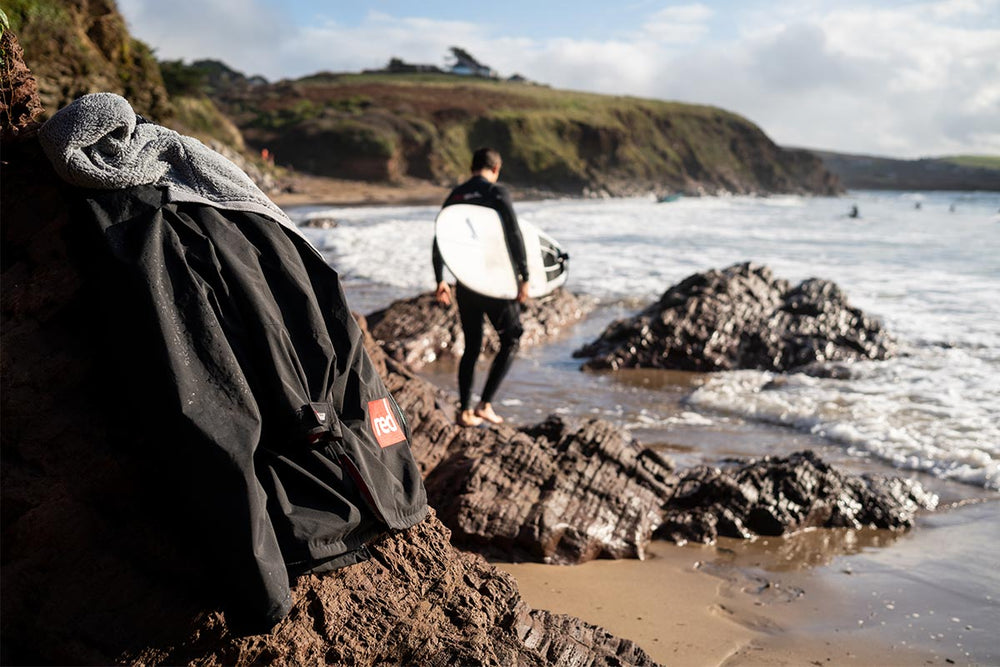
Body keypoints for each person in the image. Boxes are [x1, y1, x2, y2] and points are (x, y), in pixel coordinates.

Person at [433, 147, 529, 427]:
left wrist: (440, 277)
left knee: (472, 345)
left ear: (472, 167)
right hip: (495, 280)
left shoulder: (457, 195)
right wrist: (524, 275)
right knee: (511, 337)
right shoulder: (497, 193)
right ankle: (485, 405)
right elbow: (514, 232)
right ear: (496, 169)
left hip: (466, 283)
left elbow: (440, 237)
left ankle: (464, 411)